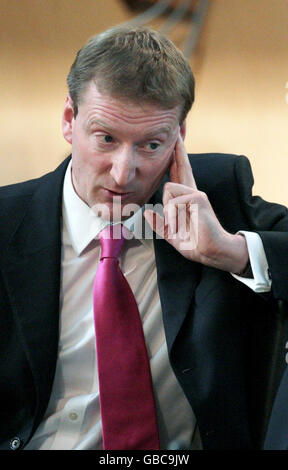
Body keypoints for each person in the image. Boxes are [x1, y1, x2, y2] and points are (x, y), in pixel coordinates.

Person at [0, 25, 287, 451]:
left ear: (179, 138)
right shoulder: (7, 220)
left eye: (151, 145)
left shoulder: (215, 197)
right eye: (106, 139)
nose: (123, 172)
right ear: (68, 120)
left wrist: (230, 250)